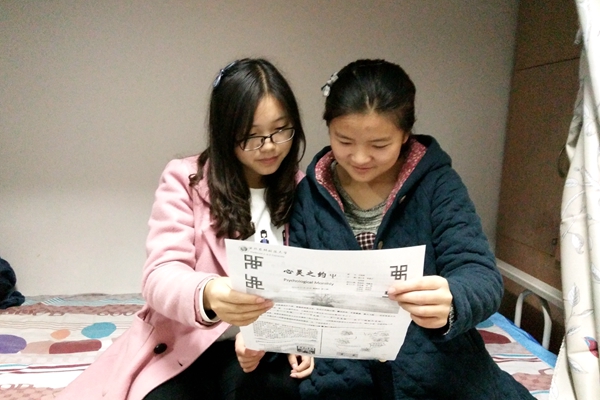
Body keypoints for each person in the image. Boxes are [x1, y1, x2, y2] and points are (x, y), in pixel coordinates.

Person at [55, 58, 313, 400]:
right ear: (225, 133)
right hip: (185, 343)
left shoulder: (302, 187)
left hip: (262, 348)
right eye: (251, 135)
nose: (269, 146)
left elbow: (308, 283)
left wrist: (295, 336)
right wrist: (209, 293)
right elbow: (160, 275)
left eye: (281, 130)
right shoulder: (186, 179)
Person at [285, 59, 534, 399]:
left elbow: (481, 275)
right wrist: (296, 339)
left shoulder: (437, 185)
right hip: (342, 378)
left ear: (405, 134)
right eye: (344, 141)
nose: (360, 158)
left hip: (438, 372)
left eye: (379, 145)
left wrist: (453, 299)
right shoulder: (309, 195)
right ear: (329, 128)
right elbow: (295, 288)